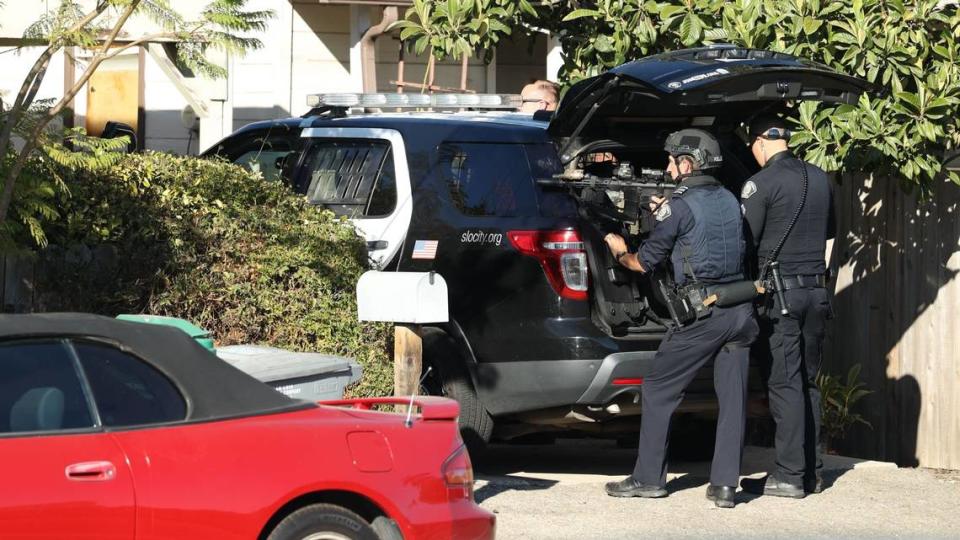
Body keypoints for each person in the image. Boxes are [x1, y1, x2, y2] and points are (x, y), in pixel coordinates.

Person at [603, 129, 758, 509]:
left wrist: (620, 251)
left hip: (704, 313)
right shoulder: (730, 197)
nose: (668, 167)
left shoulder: (679, 205)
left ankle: (648, 478)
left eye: (672, 160)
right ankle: (725, 487)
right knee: (733, 398)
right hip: (740, 310)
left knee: (657, 388)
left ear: (687, 164)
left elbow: (644, 262)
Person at [738, 114, 835, 499]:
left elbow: (746, 243)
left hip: (782, 297)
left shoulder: (758, 184)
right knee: (808, 381)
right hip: (817, 292)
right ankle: (812, 471)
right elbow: (830, 234)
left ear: (760, 142)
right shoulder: (821, 178)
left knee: (784, 383)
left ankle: (790, 475)